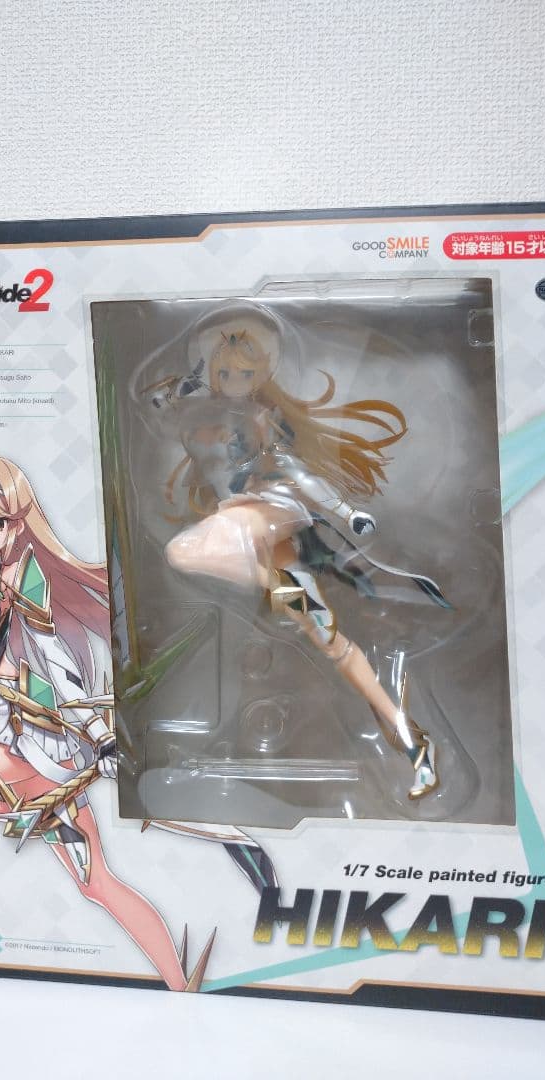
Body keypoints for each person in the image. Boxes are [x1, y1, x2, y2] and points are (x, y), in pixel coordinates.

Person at [0, 455, 209, 990]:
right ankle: (179, 982)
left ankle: (11, 810)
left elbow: (59, 665)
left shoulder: (22, 582)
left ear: (16, 522)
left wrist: (102, 738)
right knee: (97, 883)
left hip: (9, 733)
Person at [148, 304, 449, 801]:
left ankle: (278, 588)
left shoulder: (260, 419)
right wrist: (192, 380)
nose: (234, 381)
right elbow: (157, 406)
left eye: (245, 373)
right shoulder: (197, 414)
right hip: (250, 531)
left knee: (187, 548)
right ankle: (416, 748)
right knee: (331, 643)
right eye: (225, 372)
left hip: (267, 512)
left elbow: (297, 472)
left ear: (262, 374)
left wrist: (348, 511)